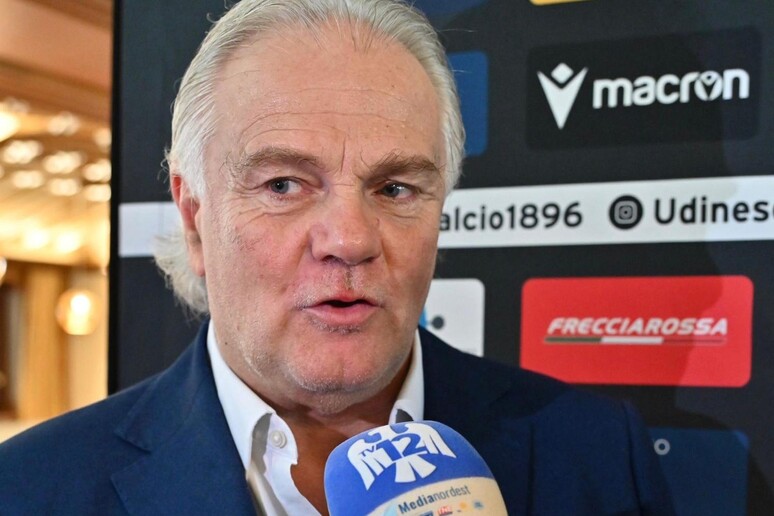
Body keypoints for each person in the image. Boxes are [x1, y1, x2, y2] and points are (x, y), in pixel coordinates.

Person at [0, 0, 674, 514]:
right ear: (196, 218)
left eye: (395, 188)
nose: (350, 240)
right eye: (283, 185)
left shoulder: (594, 455)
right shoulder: (31, 489)